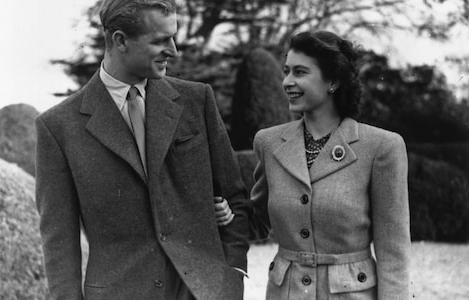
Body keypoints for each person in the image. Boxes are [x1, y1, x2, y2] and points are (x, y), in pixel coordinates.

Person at [35, 0, 251, 299]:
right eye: (161, 40)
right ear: (120, 40)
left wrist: (233, 275)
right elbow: (59, 241)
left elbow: (235, 198)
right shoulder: (58, 127)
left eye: (173, 37)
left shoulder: (196, 100)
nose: (174, 50)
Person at [218, 30, 411, 299]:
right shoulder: (268, 142)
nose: (286, 82)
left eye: (299, 72)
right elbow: (260, 222)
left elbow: (394, 252)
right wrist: (229, 215)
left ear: (332, 80)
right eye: (286, 71)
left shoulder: (381, 147)